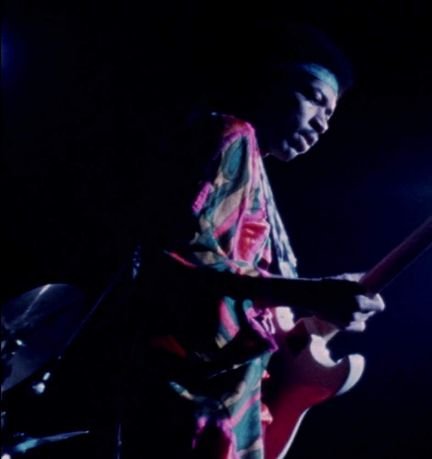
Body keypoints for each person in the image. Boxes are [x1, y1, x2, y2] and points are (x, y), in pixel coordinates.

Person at [120, 23, 386, 459]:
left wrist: (321, 313)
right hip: (187, 394)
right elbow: (178, 256)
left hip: (225, 397)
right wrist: (310, 293)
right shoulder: (231, 133)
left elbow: (250, 300)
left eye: (330, 114)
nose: (322, 123)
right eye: (314, 98)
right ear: (269, 84)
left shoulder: (259, 179)